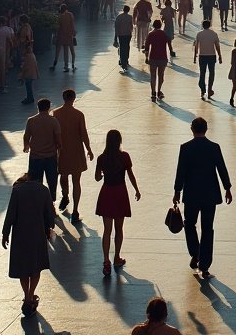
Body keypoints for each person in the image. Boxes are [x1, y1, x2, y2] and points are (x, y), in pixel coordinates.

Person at [173, 116, 232, 280]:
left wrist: (177, 191)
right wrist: (227, 188)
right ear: (206, 129)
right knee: (207, 229)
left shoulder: (185, 148)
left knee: (189, 224)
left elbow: (181, 172)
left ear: (192, 129)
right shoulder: (214, 147)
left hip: (191, 194)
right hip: (210, 194)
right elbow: (222, 168)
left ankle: (195, 253)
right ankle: (205, 265)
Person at [1, 173, 56, 317]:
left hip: (20, 235)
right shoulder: (43, 190)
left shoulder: (17, 191)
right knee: (35, 266)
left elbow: (10, 214)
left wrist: (5, 233)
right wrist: (50, 226)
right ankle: (30, 296)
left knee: (23, 268)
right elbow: (49, 214)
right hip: (37, 233)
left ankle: (26, 296)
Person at [95, 129, 141, 277]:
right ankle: (117, 257)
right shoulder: (124, 157)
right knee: (119, 229)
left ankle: (106, 261)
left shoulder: (102, 158)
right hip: (120, 192)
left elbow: (97, 178)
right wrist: (136, 190)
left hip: (107, 192)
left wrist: (101, 173)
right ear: (120, 141)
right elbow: (130, 175)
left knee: (106, 230)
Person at [54, 88, 93, 222]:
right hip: (76, 151)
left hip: (62, 151)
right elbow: (84, 134)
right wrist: (89, 149)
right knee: (77, 181)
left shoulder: (56, 113)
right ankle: (75, 210)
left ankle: (65, 196)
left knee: (63, 176)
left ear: (63, 98)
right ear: (74, 98)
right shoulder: (79, 114)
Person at [23, 97, 62, 202]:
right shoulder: (53, 121)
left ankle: (38, 201)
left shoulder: (31, 120)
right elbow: (58, 140)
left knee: (36, 182)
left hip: (35, 156)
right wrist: (59, 152)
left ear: (38, 107)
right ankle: (51, 201)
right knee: (52, 182)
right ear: (48, 108)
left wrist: (26, 146)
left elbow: (26, 136)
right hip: (50, 156)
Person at [193, 18, 222, 100]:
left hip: (202, 55)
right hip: (212, 55)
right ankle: (209, 89)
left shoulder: (199, 34)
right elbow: (217, 46)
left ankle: (202, 89)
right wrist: (220, 55)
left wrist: (195, 56)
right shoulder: (214, 34)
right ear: (209, 25)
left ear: (202, 25)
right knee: (211, 73)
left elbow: (196, 46)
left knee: (202, 73)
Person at [144, 18, 171, 101]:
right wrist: (172, 51)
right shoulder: (164, 34)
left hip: (153, 57)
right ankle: (159, 91)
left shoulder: (151, 34)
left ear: (153, 25)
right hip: (163, 58)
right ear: (160, 25)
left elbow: (147, 48)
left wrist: (146, 57)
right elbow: (169, 45)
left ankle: (153, 92)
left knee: (153, 76)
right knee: (161, 75)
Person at [52, 4, 77, 72]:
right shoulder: (70, 15)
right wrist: (73, 32)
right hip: (69, 35)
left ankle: (63, 65)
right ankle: (73, 64)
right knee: (72, 51)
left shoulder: (60, 17)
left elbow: (58, 27)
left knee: (63, 51)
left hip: (61, 36)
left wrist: (55, 35)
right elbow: (72, 25)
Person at [114, 5, 133, 71]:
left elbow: (116, 28)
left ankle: (122, 61)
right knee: (127, 47)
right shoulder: (130, 17)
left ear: (123, 9)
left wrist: (115, 38)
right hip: (128, 35)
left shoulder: (118, 17)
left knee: (121, 48)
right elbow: (131, 27)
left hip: (121, 35)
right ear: (128, 10)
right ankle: (126, 59)